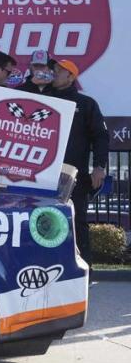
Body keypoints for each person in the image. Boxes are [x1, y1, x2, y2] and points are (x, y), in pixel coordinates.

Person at [50, 59, 109, 260]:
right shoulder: (42, 98)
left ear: (71, 76)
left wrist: (99, 167)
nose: (54, 73)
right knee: (43, 221)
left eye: (59, 71)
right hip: (42, 174)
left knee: (77, 221)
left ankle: (85, 269)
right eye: (54, 70)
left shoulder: (86, 104)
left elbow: (101, 136)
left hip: (74, 176)